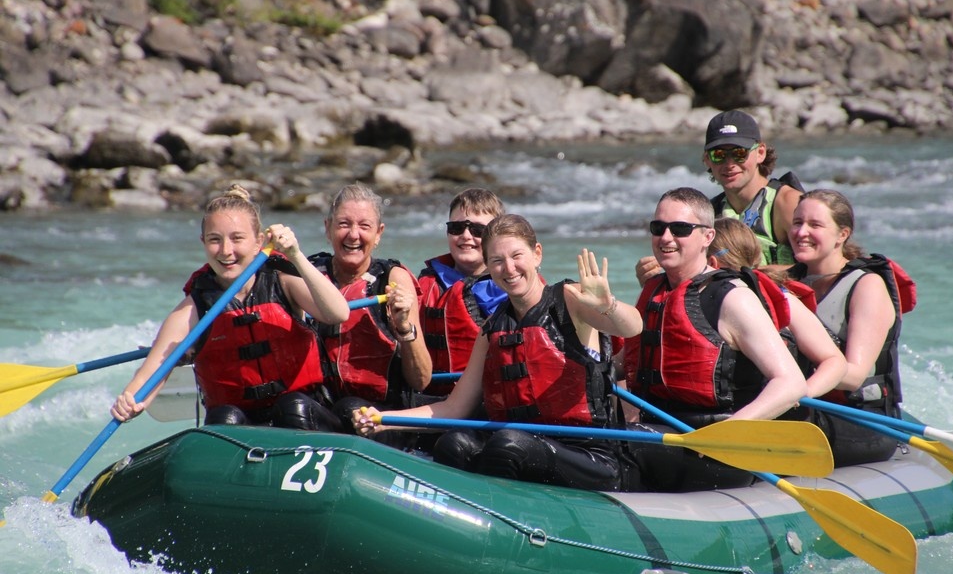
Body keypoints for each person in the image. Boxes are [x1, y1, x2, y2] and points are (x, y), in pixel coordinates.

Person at [354, 214, 645, 492]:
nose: (509, 268)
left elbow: (633, 327)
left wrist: (608, 306)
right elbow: (454, 408)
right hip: (525, 448)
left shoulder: (571, 300)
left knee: (509, 444)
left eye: (517, 256)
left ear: (537, 254)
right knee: (455, 444)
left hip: (589, 455)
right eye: (497, 261)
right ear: (489, 267)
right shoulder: (492, 329)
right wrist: (384, 419)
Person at [111, 184, 351, 430]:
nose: (226, 251)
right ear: (203, 242)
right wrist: (130, 402)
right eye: (215, 240)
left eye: (237, 238)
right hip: (243, 426)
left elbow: (338, 313)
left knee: (293, 408)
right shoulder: (195, 307)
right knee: (224, 417)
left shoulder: (283, 280)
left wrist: (296, 255)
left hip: (304, 416)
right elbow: (153, 371)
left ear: (258, 242)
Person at [621, 187, 807, 491]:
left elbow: (791, 383)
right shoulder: (656, 291)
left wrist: (731, 430)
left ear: (708, 236)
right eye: (658, 228)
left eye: (680, 229)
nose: (666, 237)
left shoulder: (732, 298)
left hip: (717, 450)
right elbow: (624, 364)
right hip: (661, 434)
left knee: (620, 441)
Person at [786, 188, 914, 465]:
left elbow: (855, 374)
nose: (801, 232)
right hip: (808, 406)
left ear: (842, 234)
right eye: (797, 222)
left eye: (815, 225)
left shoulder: (867, 286)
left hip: (864, 419)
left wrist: (789, 389)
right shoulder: (786, 281)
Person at [307, 183, 432, 440]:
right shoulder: (309, 274)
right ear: (328, 228)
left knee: (349, 407)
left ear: (378, 234)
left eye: (364, 226)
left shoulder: (392, 279)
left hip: (379, 416)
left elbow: (421, 380)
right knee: (294, 407)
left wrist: (404, 327)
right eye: (344, 224)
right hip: (322, 409)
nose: (353, 235)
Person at [634, 109, 803, 284]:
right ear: (707, 159)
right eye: (719, 155)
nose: (729, 164)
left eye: (739, 153)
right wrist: (657, 279)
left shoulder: (787, 203)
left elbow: (818, 265)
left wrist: (748, 274)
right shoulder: (710, 213)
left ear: (760, 152)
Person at [707, 217, 847, 401]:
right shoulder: (691, 297)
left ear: (712, 263)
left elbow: (834, 361)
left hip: (777, 409)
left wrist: (800, 395)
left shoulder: (782, 298)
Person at [416, 188, 508, 404]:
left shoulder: (507, 289)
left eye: (478, 230)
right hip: (427, 395)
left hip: (482, 402)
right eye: (457, 228)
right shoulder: (424, 282)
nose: (466, 236)